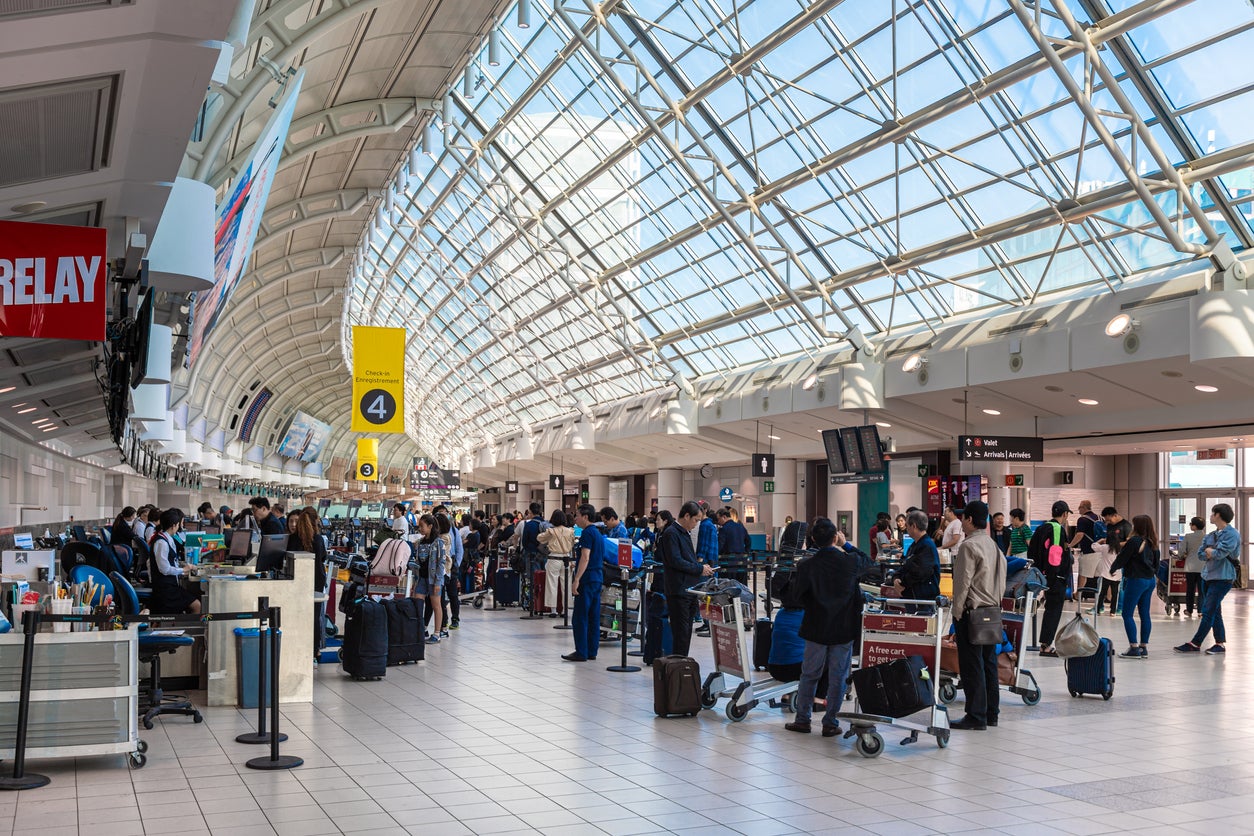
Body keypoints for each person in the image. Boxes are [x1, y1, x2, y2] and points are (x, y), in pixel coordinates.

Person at [783, 518, 861, 737]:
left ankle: (803, 720)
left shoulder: (806, 566)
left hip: (815, 627)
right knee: (838, 677)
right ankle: (830, 722)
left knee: (809, 674)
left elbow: (797, 596)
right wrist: (846, 545)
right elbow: (868, 562)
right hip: (842, 629)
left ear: (814, 540)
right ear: (835, 537)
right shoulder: (850, 562)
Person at [950, 501, 1006, 730]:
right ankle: (992, 713)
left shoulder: (969, 546)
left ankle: (975, 716)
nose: (962, 521)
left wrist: (957, 612)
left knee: (972, 665)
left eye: (964, 518)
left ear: (970, 520)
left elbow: (962, 583)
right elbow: (1001, 579)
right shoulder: (994, 546)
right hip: (992, 610)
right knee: (989, 663)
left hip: (972, 613)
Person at [1176, 503, 1240, 655]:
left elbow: (1220, 554)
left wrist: (1212, 551)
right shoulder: (1212, 535)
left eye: (1212, 513)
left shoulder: (1232, 534)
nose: (1210, 516)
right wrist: (1210, 551)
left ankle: (1196, 643)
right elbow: (1201, 554)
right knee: (1215, 610)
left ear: (1218, 515)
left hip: (1223, 577)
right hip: (1208, 575)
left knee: (1208, 610)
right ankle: (1220, 643)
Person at [657, 501, 714, 657]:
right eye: (695, 520)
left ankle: (682, 664)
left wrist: (701, 567)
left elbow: (688, 559)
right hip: (678, 591)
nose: (696, 525)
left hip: (688, 590)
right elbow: (676, 561)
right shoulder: (671, 533)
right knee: (681, 634)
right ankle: (678, 666)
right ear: (686, 516)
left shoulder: (683, 533)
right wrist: (699, 568)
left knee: (686, 632)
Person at [1109, 514, 1158, 659]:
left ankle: (1134, 647)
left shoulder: (1134, 541)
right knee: (1144, 614)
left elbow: (1122, 558)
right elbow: (1157, 564)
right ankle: (1143, 647)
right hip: (1149, 580)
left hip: (1136, 580)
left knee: (1127, 614)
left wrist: (1112, 569)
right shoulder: (1153, 542)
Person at [1029, 500, 1073, 657]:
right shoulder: (1056, 528)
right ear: (1065, 514)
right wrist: (1054, 577)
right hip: (1055, 577)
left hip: (1042, 575)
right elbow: (1055, 553)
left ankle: (1044, 643)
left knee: (1049, 611)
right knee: (1054, 611)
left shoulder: (1041, 528)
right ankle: (1046, 646)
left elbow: (1032, 551)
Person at [564, 504, 607, 662]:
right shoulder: (598, 533)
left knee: (580, 616)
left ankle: (581, 651)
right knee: (593, 616)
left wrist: (576, 579)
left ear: (586, 517)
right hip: (597, 577)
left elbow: (586, 557)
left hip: (587, 579)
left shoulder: (587, 533)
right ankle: (591, 650)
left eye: (577, 516)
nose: (575, 519)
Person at [289, 508, 328, 659]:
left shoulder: (292, 539)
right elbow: (323, 557)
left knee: (298, 614)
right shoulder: (318, 539)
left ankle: (298, 647)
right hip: (316, 581)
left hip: (297, 581)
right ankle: (315, 650)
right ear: (316, 520)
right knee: (314, 616)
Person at [148, 508, 201, 615]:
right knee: (197, 605)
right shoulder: (161, 542)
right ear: (174, 525)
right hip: (165, 590)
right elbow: (164, 569)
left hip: (169, 585)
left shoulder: (167, 538)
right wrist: (183, 569)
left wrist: (182, 568)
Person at [894, 510, 940, 601]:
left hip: (922, 598)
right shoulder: (915, 544)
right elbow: (906, 564)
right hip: (913, 595)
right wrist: (896, 578)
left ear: (914, 526)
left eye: (907, 526)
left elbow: (920, 572)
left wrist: (902, 583)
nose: (906, 529)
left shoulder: (927, 545)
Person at [413, 514, 445, 644]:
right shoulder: (420, 543)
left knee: (436, 605)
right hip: (421, 578)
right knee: (418, 604)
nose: (420, 528)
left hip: (434, 580)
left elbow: (441, 563)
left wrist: (438, 581)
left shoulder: (438, 542)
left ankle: (437, 633)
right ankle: (420, 629)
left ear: (430, 526)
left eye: (422, 526)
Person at [537, 510, 574, 616]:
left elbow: (539, 538)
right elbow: (572, 545)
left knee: (552, 584)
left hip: (554, 558)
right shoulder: (570, 531)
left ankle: (553, 610)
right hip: (566, 559)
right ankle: (565, 610)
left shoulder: (551, 531)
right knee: (566, 585)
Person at [694, 509, 720, 637]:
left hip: (705, 562)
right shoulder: (711, 525)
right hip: (713, 561)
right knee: (709, 592)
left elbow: (703, 544)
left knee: (704, 593)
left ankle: (708, 623)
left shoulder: (704, 525)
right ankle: (707, 623)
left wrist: (699, 558)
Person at [1180, 517, 1207, 617]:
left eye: (1191, 524)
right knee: (1202, 590)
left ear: (1194, 526)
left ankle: (1189, 610)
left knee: (1190, 590)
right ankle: (1201, 611)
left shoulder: (1188, 536)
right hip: (1203, 567)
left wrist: (1182, 556)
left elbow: (1182, 551)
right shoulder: (1207, 537)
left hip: (1191, 567)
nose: (1190, 526)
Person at [1072, 501, 1100, 596]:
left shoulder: (1082, 519)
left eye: (1079, 507)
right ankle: (1108, 596)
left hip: (1088, 551)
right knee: (1102, 575)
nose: (1078, 509)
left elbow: (1080, 534)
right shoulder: (1099, 518)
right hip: (1100, 550)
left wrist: (1070, 545)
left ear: (1083, 507)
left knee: (1083, 574)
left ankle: (1077, 594)